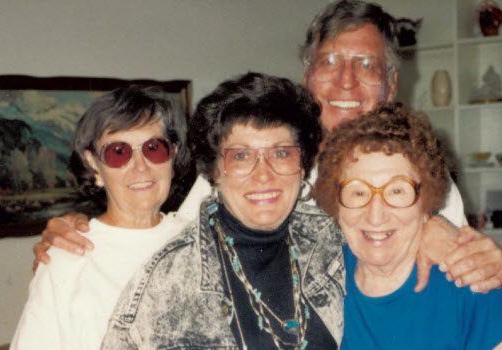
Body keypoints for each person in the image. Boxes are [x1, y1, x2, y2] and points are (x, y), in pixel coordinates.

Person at [35, 0, 502, 294]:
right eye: (329, 61)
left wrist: (497, 266)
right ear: (308, 77)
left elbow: (470, 270)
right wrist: (90, 237)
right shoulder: (249, 159)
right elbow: (171, 239)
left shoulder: (424, 173)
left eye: (366, 64)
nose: (345, 80)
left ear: (390, 83)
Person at [101, 73, 341, 349]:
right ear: (214, 171)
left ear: (302, 166)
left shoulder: (334, 244)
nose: (263, 175)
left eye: (281, 153)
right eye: (241, 156)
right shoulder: (166, 282)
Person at [312, 103, 502, 349]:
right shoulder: (316, 284)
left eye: (397, 191)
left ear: (426, 204)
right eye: (357, 192)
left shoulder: (468, 286)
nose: (375, 215)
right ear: (335, 204)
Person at [10, 87, 190, 349]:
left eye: (153, 148)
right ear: (93, 163)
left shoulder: (202, 242)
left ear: (172, 154)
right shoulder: (66, 258)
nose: (140, 166)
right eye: (119, 152)